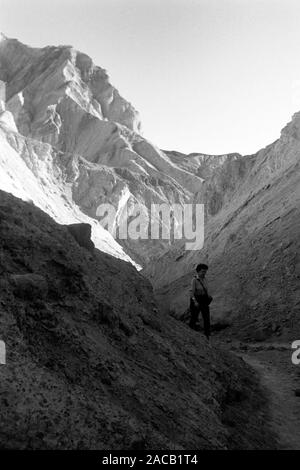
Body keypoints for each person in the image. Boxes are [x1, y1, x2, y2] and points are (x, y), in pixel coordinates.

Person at [189, 263, 213, 340]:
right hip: (196, 299)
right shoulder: (194, 280)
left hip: (204, 299)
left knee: (206, 317)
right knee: (194, 317)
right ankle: (190, 334)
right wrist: (195, 301)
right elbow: (191, 292)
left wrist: (208, 296)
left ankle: (207, 335)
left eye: (205, 271)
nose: (204, 273)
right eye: (203, 271)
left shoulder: (205, 279)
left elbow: (206, 289)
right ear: (198, 271)